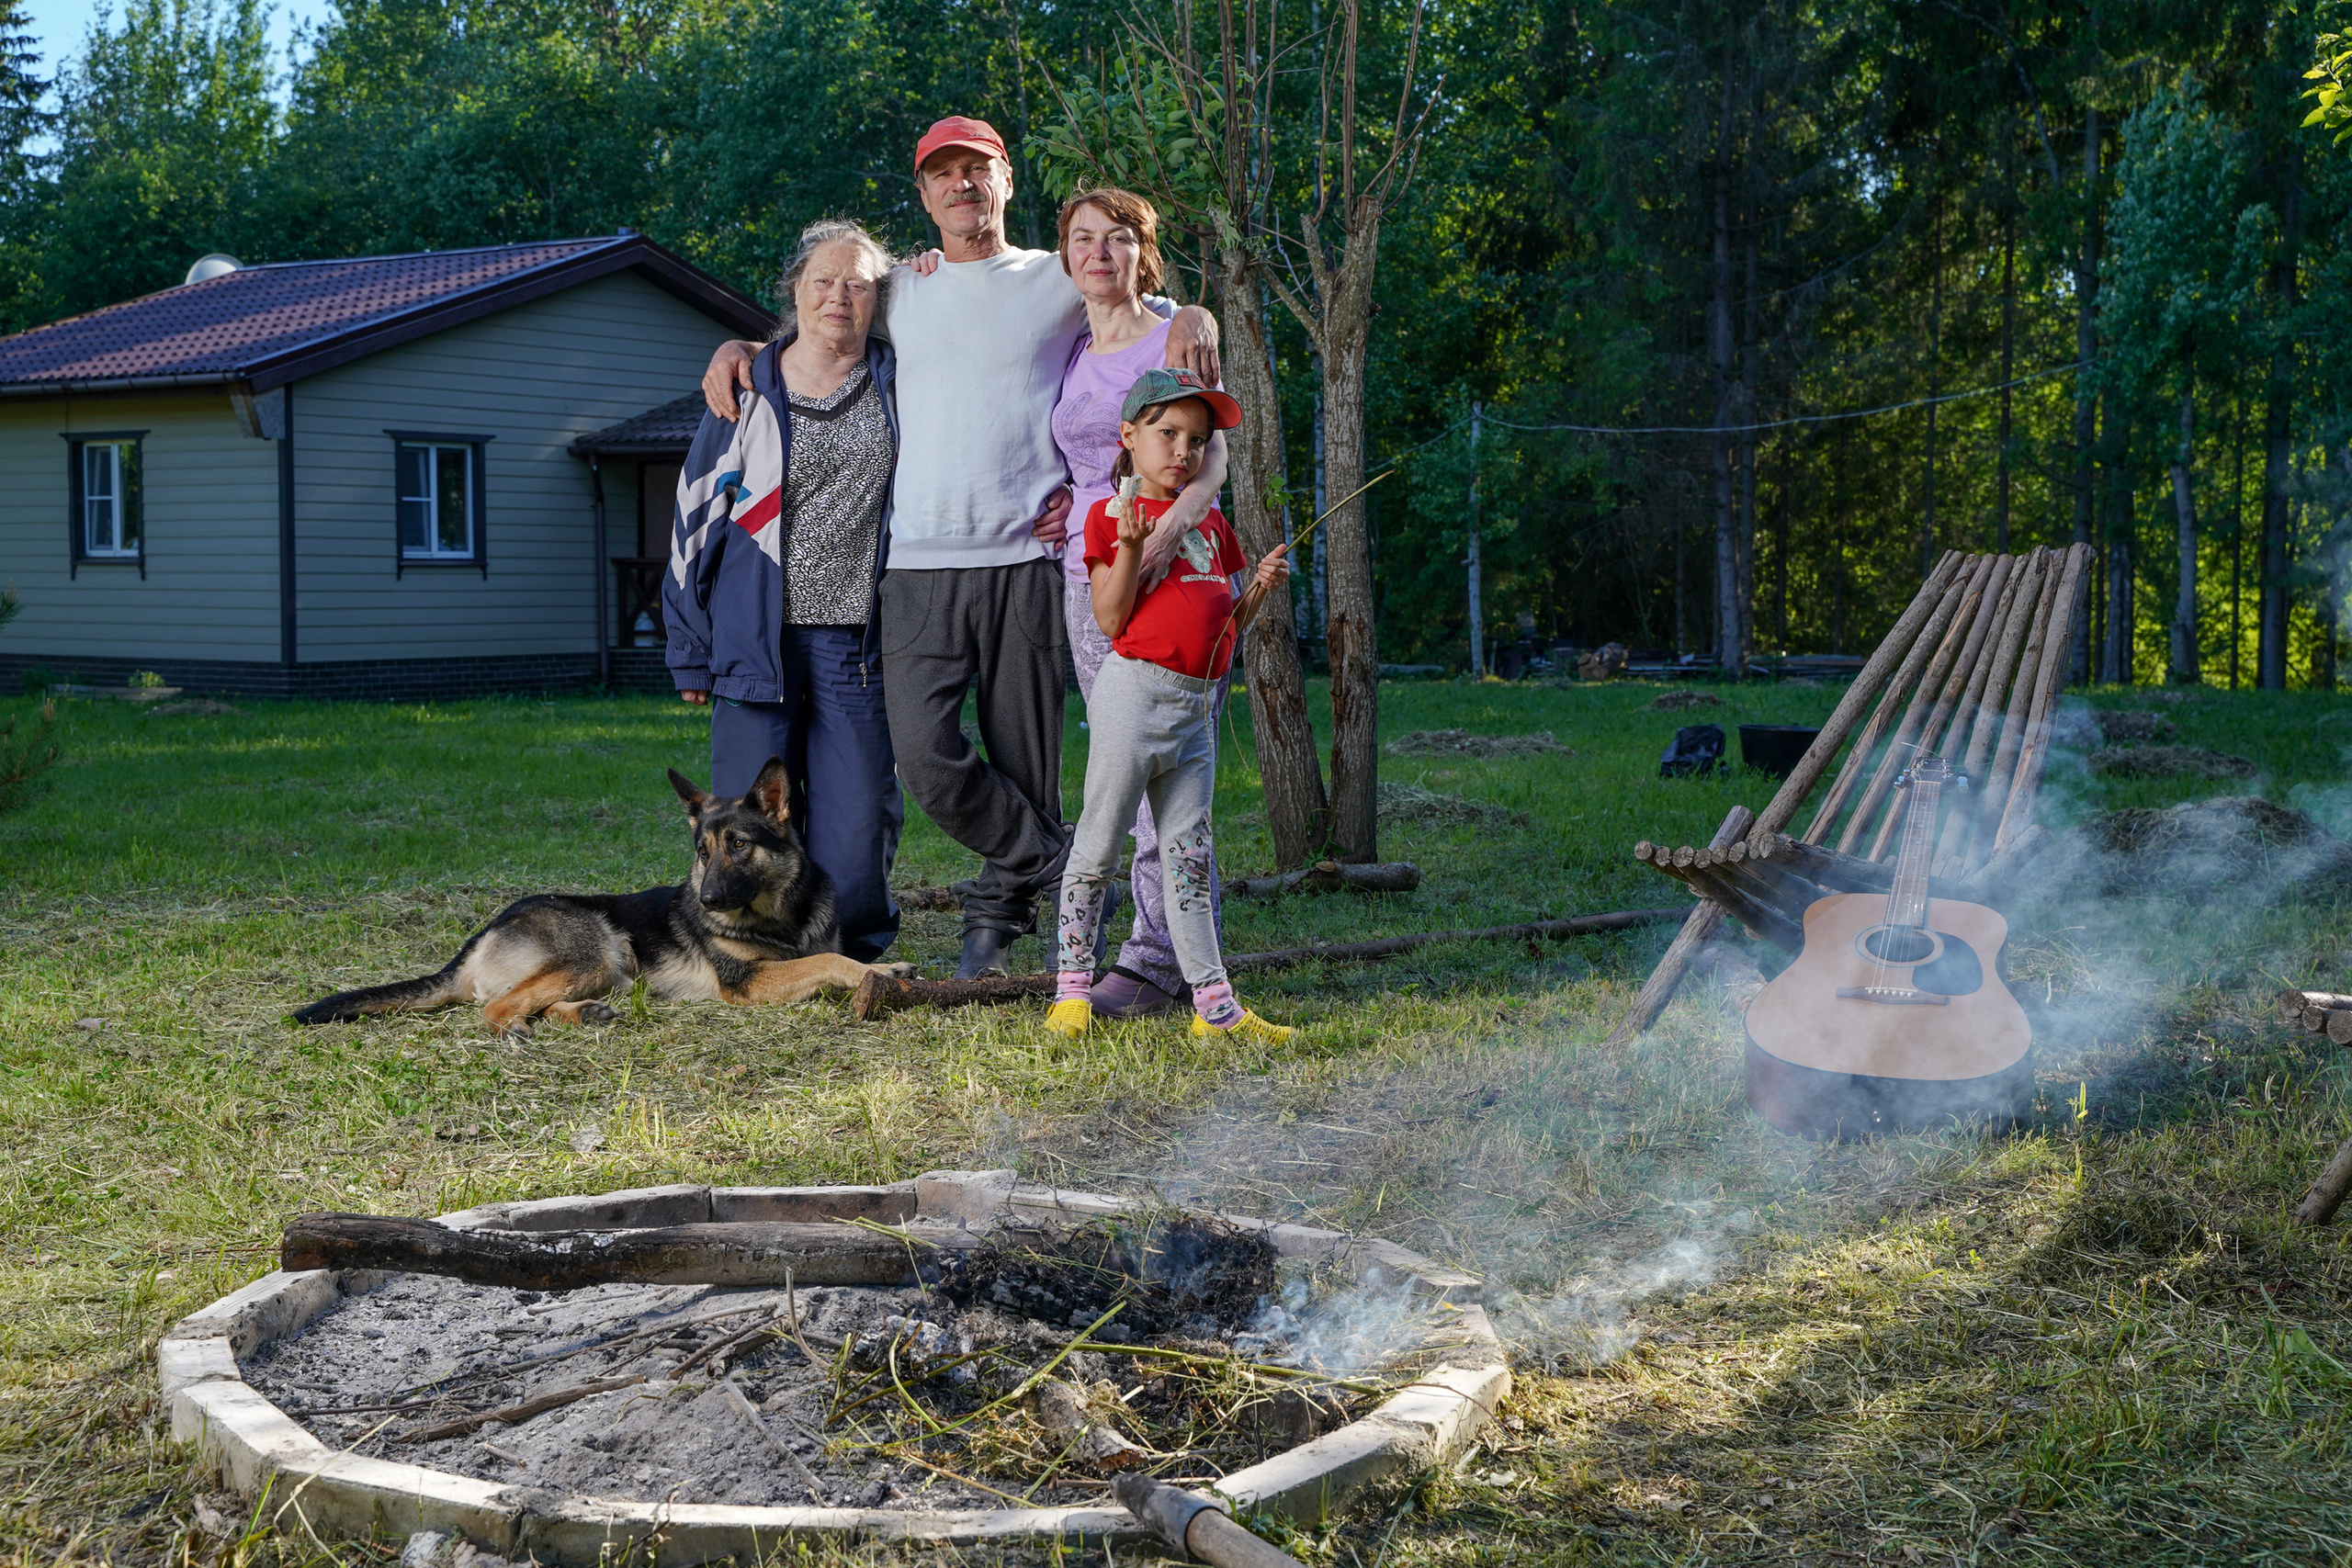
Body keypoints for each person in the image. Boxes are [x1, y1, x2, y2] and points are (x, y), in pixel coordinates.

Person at [701, 117, 1221, 979]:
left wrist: (1194, 308)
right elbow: (824, 327)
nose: (961, 187)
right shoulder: (902, 287)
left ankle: (998, 920)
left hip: (1026, 559)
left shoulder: (1056, 277)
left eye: (975, 171)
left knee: (1027, 758)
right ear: (923, 193)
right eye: (942, 175)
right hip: (918, 565)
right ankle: (1056, 861)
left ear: (1005, 179)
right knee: (928, 757)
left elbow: (1145, 312)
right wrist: (738, 350)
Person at [665, 220, 903, 962]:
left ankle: (852, 949)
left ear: (877, 299)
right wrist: (689, 647)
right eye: (824, 281)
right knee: (743, 821)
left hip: (857, 642)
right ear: (796, 290)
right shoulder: (747, 387)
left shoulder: (900, 378)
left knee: (860, 815)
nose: (839, 296)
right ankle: (749, 952)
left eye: (858, 283)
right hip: (751, 639)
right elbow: (693, 516)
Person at [1045, 367, 1294, 1044]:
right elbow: (1109, 615)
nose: (1182, 450)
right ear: (1129, 435)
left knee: (1189, 856)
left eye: (1196, 439)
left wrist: (1259, 590)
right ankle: (1070, 990)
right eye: (1166, 433)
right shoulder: (1109, 516)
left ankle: (1215, 1009)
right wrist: (1128, 545)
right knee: (1099, 840)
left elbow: (1223, 619)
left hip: (1195, 711)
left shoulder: (1211, 524)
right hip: (1135, 697)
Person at [1046, 188, 1232, 1019]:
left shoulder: (1176, 332)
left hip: (1169, 555)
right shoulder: (1073, 352)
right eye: (1082, 239)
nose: (1098, 252)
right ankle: (1117, 953)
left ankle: (1159, 959)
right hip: (1093, 561)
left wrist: (1164, 538)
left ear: (1141, 254)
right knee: (1119, 760)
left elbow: (1215, 456)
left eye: (1117, 239)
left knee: (1175, 760)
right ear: (1065, 257)